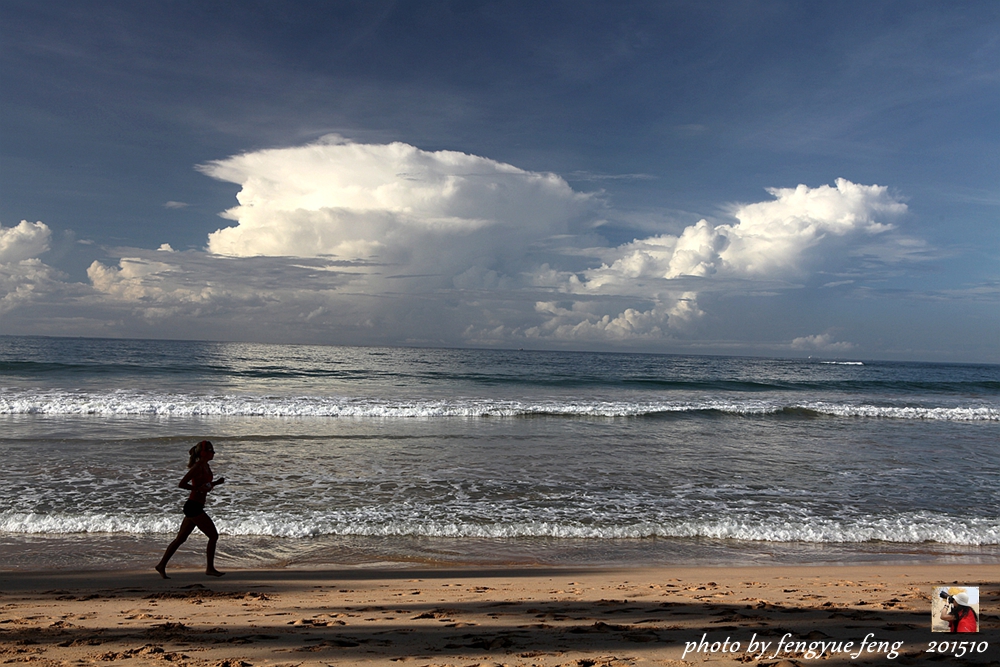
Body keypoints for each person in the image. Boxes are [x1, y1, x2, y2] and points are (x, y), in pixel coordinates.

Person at [155, 440, 226, 578]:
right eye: (211, 451)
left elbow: (205, 484)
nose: (214, 453)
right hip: (193, 506)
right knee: (213, 535)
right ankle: (210, 568)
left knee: (180, 539)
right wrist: (197, 488)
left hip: (196, 506)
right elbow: (182, 484)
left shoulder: (205, 466)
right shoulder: (198, 467)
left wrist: (216, 483)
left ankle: (161, 565)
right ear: (204, 453)